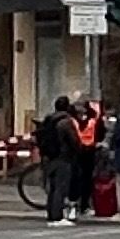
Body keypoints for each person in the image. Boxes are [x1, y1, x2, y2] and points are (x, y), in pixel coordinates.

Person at [33, 96, 80, 227]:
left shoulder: (49, 120)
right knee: (61, 187)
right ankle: (58, 216)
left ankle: (51, 215)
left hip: (49, 158)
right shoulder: (66, 122)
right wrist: (77, 150)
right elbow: (74, 141)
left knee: (53, 188)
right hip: (62, 157)